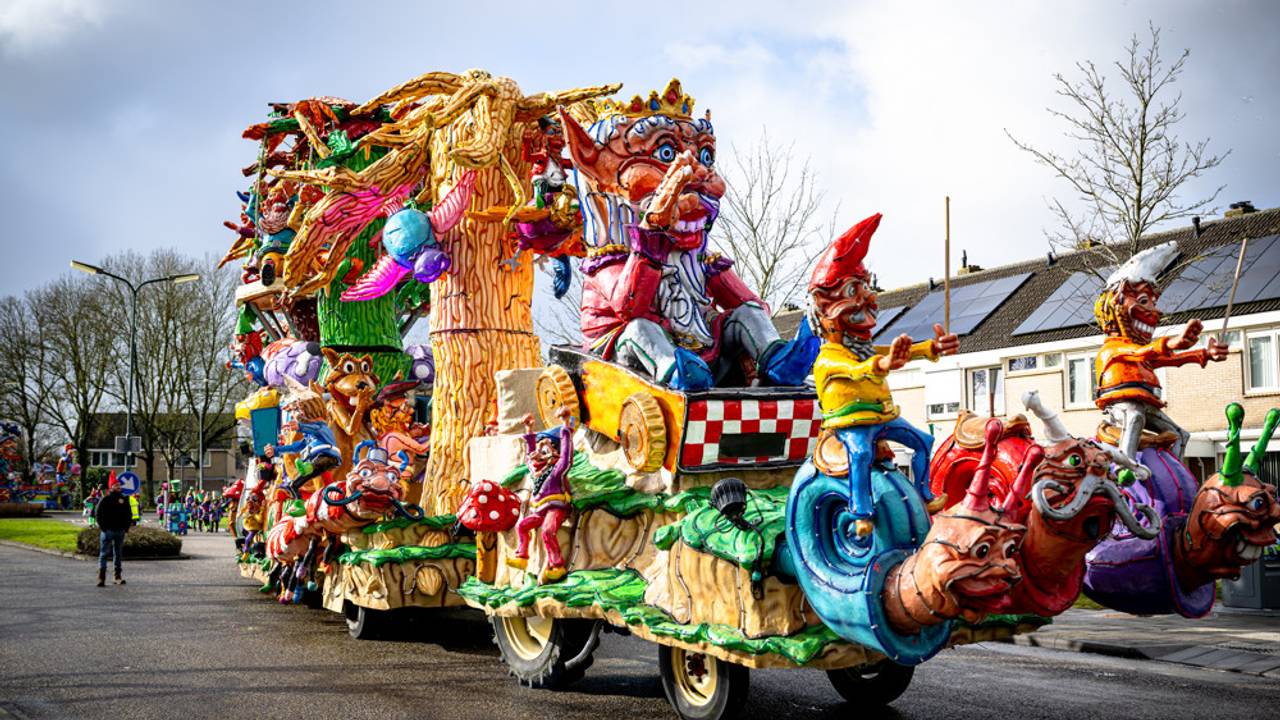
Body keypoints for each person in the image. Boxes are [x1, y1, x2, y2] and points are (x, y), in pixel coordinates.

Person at [94, 475, 132, 586]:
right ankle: (101, 578)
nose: (119, 487)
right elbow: (98, 513)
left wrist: (126, 527)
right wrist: (103, 527)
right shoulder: (105, 499)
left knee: (118, 554)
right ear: (111, 487)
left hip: (120, 531)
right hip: (108, 531)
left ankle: (117, 576)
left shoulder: (124, 499)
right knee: (104, 554)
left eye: (119, 485)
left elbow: (128, 514)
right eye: (116, 485)